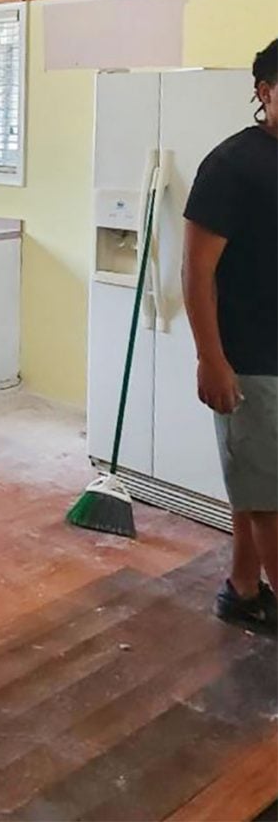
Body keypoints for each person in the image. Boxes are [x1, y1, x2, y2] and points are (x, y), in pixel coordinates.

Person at [182, 39, 278, 635]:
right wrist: (211, 359)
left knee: (255, 477)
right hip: (250, 355)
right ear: (265, 93)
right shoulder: (232, 165)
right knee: (271, 495)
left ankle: (243, 589)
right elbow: (196, 272)